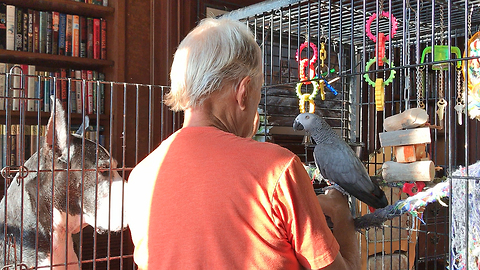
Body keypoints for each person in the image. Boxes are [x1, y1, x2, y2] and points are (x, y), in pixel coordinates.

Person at [126, 17, 360, 270]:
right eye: (259, 93)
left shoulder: (141, 177)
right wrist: (342, 216)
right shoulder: (277, 169)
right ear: (243, 91)